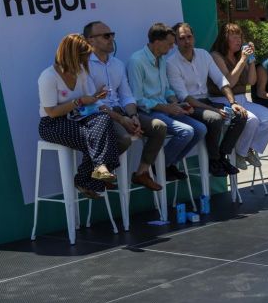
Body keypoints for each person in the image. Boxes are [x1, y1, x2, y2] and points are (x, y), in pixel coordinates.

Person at [83, 21, 165, 191]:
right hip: (98, 115)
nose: (111, 38)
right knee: (124, 139)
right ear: (90, 40)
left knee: (159, 127)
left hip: (120, 111)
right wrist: (122, 120)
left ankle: (141, 173)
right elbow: (93, 102)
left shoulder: (117, 64)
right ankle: (99, 170)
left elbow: (126, 95)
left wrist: (133, 116)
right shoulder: (84, 65)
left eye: (112, 34)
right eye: (106, 36)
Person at [37, 34, 120, 199]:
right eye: (83, 57)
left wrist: (96, 97)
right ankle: (92, 177)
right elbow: (51, 112)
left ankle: (94, 173)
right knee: (96, 139)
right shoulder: (48, 77)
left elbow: (88, 101)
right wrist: (78, 101)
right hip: (52, 124)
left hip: (78, 117)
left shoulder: (81, 71)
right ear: (71, 56)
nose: (86, 62)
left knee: (103, 120)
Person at [166, 22, 247, 178]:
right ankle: (214, 160)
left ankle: (222, 156)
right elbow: (185, 97)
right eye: (182, 38)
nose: (187, 41)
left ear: (194, 38)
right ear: (175, 41)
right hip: (188, 106)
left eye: (189, 37)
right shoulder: (171, 63)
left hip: (206, 101)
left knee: (240, 115)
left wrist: (233, 103)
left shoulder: (203, 54)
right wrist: (215, 110)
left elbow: (221, 81)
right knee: (215, 118)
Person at [127, 23, 205, 181]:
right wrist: (167, 108)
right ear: (157, 42)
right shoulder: (137, 61)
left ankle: (167, 164)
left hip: (164, 109)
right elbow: (138, 99)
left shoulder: (161, 59)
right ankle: (159, 166)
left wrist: (176, 104)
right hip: (149, 112)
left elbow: (167, 89)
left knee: (200, 129)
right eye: (170, 44)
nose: (172, 48)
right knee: (187, 131)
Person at [209, 23, 268, 172]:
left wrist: (251, 61)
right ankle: (241, 153)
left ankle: (246, 149)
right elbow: (229, 82)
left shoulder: (240, 56)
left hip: (242, 99)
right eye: (233, 36)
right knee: (251, 119)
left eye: (239, 36)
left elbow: (252, 81)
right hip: (223, 100)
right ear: (223, 38)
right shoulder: (216, 56)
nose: (238, 39)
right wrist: (242, 60)